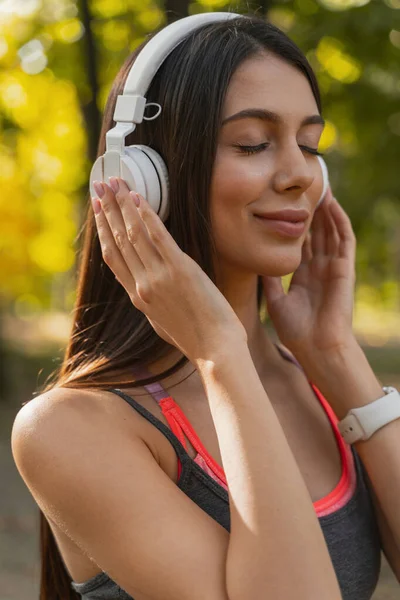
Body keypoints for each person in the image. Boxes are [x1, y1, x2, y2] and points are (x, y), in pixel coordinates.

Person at [10, 12, 400, 600]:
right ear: (143, 177)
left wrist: (337, 357)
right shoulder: (71, 431)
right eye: (253, 143)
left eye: (309, 144)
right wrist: (221, 356)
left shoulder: (322, 387)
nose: (300, 173)